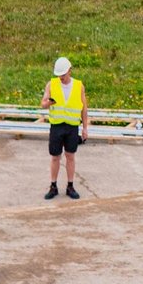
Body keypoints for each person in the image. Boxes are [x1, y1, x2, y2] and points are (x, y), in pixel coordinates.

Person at [41, 56, 89, 201]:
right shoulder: (52, 84)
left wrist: (85, 128)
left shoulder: (78, 86)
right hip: (56, 126)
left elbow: (84, 108)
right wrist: (49, 102)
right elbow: (43, 103)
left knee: (70, 156)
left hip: (72, 127)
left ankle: (70, 186)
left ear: (69, 70)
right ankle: (53, 186)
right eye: (59, 75)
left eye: (63, 74)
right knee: (55, 157)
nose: (61, 77)